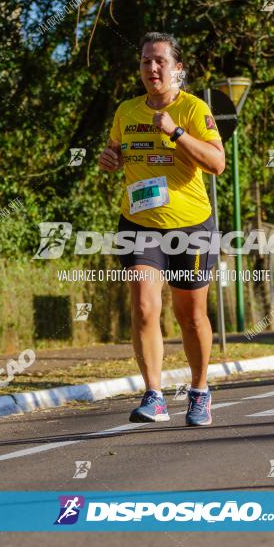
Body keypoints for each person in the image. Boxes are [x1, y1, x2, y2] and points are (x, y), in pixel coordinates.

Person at [98, 32, 226, 426]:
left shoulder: (193, 109)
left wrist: (176, 133)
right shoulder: (126, 111)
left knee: (191, 316)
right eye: (145, 61)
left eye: (160, 61)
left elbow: (217, 163)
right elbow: (118, 152)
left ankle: (200, 391)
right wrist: (110, 159)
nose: (151, 68)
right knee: (143, 307)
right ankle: (153, 395)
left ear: (177, 69)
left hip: (190, 227)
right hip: (140, 225)